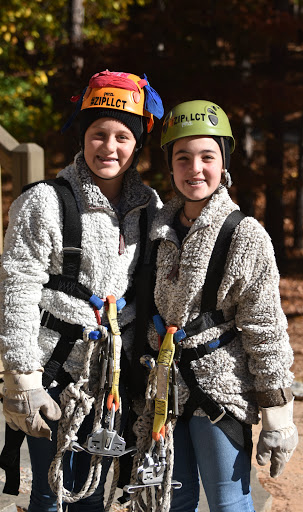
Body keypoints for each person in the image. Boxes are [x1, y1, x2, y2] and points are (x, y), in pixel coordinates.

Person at [0, 69, 164, 512]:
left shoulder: (150, 209)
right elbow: (16, 288)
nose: (109, 147)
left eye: (122, 137)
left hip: (113, 378)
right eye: (98, 134)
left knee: (92, 493)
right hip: (53, 370)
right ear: (82, 136)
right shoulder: (44, 203)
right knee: (52, 493)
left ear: (137, 144)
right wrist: (23, 380)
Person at [129, 100, 298, 512]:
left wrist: (278, 411)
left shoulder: (246, 236)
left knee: (227, 500)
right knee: (171, 497)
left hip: (220, 389)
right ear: (170, 167)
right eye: (182, 158)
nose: (195, 169)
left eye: (207, 156)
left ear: (224, 163)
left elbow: (265, 327)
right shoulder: (156, 230)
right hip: (165, 391)